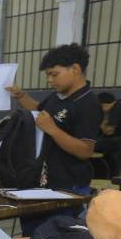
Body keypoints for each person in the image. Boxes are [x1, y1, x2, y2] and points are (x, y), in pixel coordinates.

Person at [6, 44, 102, 196]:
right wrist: (20, 96)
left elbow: (85, 151)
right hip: (46, 180)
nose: (49, 80)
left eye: (54, 74)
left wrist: (53, 130)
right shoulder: (58, 96)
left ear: (75, 69)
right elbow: (39, 111)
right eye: (47, 75)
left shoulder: (88, 104)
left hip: (69, 185)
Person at [95, 92, 121, 176]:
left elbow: (109, 131)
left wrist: (102, 124)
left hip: (117, 142)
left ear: (105, 105)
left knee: (92, 143)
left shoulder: (116, 109)